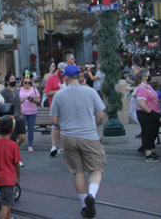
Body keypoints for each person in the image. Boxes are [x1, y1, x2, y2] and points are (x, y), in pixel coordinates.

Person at [50, 65, 106, 219]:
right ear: (80, 77)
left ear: (65, 78)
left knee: (77, 171)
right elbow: (100, 115)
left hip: (68, 137)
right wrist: (92, 124)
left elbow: (54, 120)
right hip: (89, 136)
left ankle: (84, 205)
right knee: (96, 169)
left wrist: (64, 126)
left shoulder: (59, 95)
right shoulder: (91, 92)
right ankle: (92, 195)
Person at [0, 117, 22, 219]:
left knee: (6, 201)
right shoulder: (13, 145)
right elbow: (16, 163)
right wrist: (18, 175)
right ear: (12, 129)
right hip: (9, 178)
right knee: (6, 204)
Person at [135, 69, 161, 162]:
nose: (150, 76)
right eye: (148, 75)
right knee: (148, 133)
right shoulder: (141, 88)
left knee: (153, 133)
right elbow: (141, 103)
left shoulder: (148, 86)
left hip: (153, 113)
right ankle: (148, 154)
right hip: (146, 114)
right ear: (144, 77)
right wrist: (150, 112)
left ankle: (151, 150)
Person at [45, 62, 67, 156]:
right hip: (54, 105)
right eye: (62, 72)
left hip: (64, 105)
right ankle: (54, 146)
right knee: (55, 125)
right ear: (58, 70)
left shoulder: (64, 78)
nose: (63, 74)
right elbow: (47, 93)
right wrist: (59, 91)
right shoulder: (51, 79)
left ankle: (61, 147)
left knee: (62, 126)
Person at [18, 75, 40, 152]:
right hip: (22, 112)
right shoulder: (19, 89)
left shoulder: (34, 89)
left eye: (29, 83)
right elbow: (16, 101)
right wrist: (22, 100)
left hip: (32, 111)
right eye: (25, 82)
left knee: (31, 129)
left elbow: (38, 100)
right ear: (22, 82)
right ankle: (18, 143)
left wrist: (33, 100)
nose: (27, 84)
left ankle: (30, 145)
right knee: (21, 128)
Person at [125, 55, 143, 129]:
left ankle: (143, 126)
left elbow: (136, 82)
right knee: (138, 110)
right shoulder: (141, 69)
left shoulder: (135, 69)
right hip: (140, 91)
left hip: (136, 91)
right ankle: (143, 128)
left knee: (131, 111)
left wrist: (129, 81)